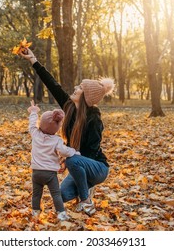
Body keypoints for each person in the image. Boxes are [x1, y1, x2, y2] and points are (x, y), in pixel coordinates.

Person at [21, 49, 114, 216]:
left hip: (97, 167)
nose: (76, 88)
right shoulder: (69, 107)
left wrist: (70, 158)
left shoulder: (94, 120)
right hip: (77, 163)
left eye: (80, 88)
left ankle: (86, 199)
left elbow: (91, 151)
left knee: (73, 161)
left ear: (86, 96)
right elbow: (52, 84)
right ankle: (84, 189)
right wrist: (33, 60)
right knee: (62, 195)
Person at [28, 100, 79, 221]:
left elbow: (31, 123)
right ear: (56, 128)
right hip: (50, 174)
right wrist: (75, 152)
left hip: (36, 172)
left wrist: (34, 111)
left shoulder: (35, 133)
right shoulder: (56, 140)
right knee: (56, 194)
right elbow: (64, 151)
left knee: (36, 194)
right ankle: (61, 213)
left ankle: (35, 212)